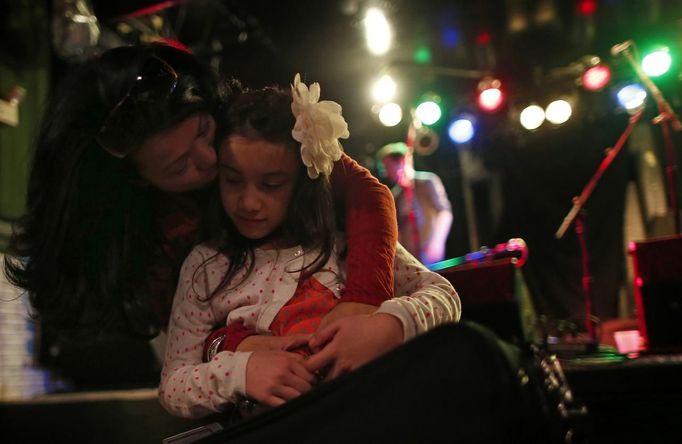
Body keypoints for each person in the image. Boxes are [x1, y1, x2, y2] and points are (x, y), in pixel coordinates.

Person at [2, 42, 398, 343]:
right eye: (179, 167)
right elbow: (189, 342)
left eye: (204, 131)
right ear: (141, 182)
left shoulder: (259, 132)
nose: (210, 159)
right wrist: (231, 350)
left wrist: (364, 299)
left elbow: (368, 194)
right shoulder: (160, 247)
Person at [158, 78, 461, 418]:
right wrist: (241, 372)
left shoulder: (342, 241)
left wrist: (392, 324)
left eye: (271, 184)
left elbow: (444, 296)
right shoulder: (207, 265)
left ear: (303, 183)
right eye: (231, 180)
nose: (248, 202)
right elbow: (173, 386)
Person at [375, 142, 453, 265]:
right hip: (410, 257)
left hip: (429, 251)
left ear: (401, 161)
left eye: (388, 166)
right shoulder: (394, 195)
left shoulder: (427, 181)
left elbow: (444, 213)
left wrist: (437, 242)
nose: (386, 172)